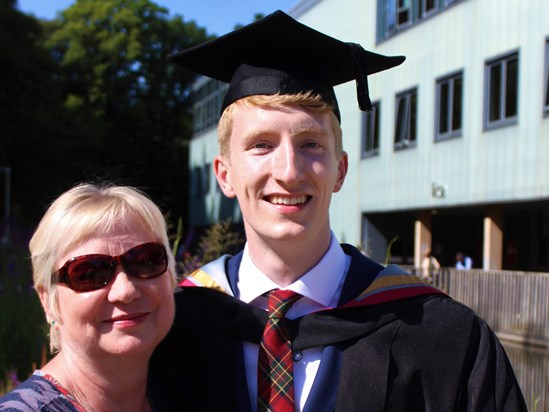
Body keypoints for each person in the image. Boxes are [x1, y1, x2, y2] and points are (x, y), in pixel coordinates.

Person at [148, 11, 527, 411]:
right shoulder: (172, 330)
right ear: (224, 175)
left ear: (340, 170)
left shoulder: (442, 334)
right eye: (261, 144)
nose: (289, 171)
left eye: (310, 143)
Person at [0, 183, 177, 412]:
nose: (125, 291)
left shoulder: (198, 392)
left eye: (146, 261)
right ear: (48, 301)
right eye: (89, 273)